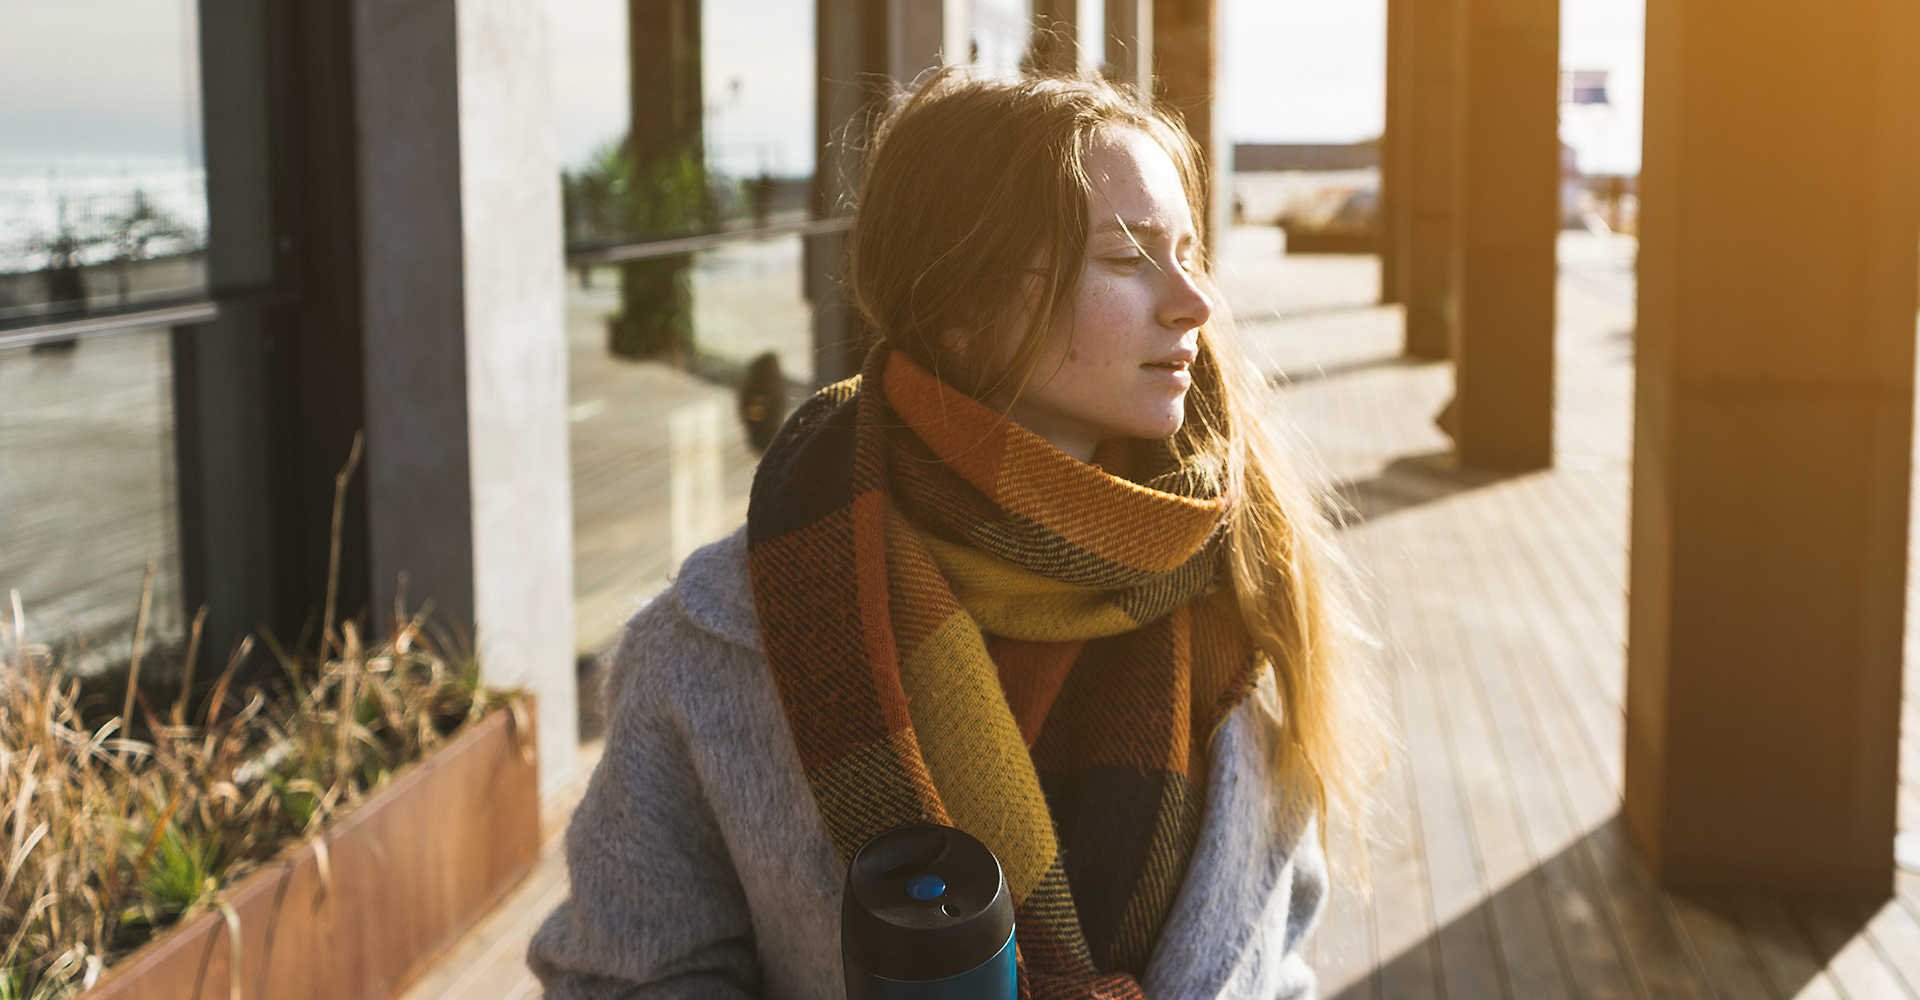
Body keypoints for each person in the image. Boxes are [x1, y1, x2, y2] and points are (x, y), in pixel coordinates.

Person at [528, 67, 1387, 999]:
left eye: (1187, 252)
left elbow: (1280, 958)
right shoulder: (714, 645)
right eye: (1128, 256)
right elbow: (623, 977)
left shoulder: (1244, 588)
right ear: (962, 305)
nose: (1194, 302)